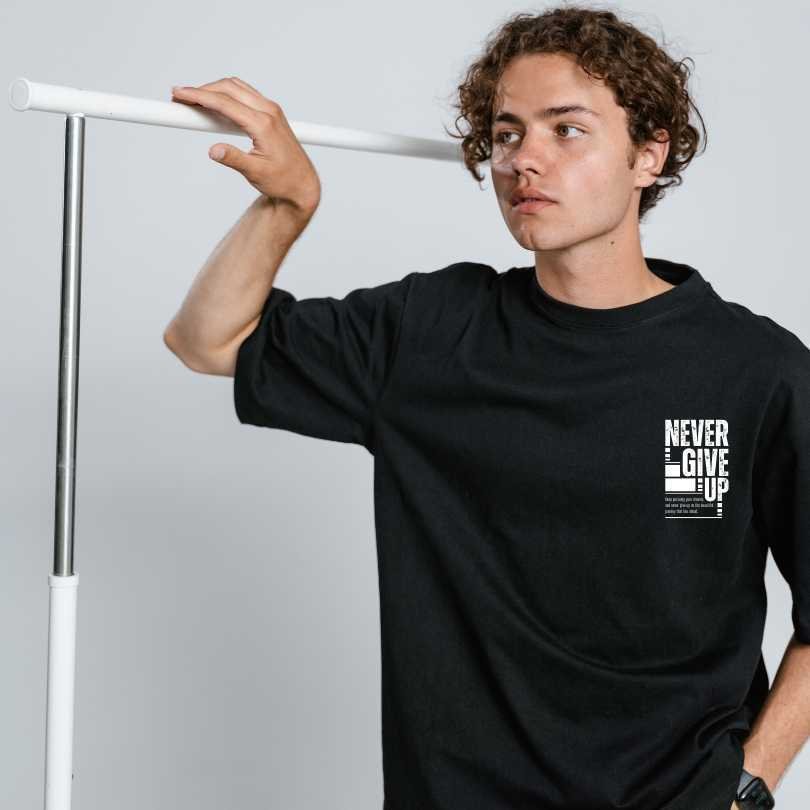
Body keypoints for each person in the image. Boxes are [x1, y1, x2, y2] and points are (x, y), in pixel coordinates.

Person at [163, 6, 809, 809]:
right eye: (506, 134)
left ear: (649, 153)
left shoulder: (754, 369)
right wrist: (287, 206)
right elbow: (207, 339)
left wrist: (748, 785)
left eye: (566, 130)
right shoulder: (431, 332)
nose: (524, 160)